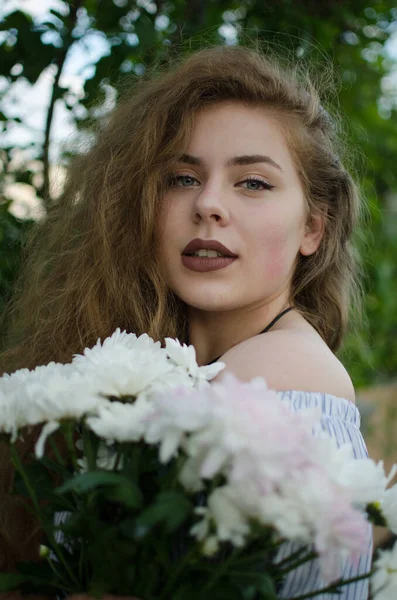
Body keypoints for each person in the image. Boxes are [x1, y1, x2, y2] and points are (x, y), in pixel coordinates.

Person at [0, 44, 372, 598]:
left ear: (313, 228)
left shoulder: (281, 367)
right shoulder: (167, 360)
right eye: (181, 178)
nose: (209, 204)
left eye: (253, 182)